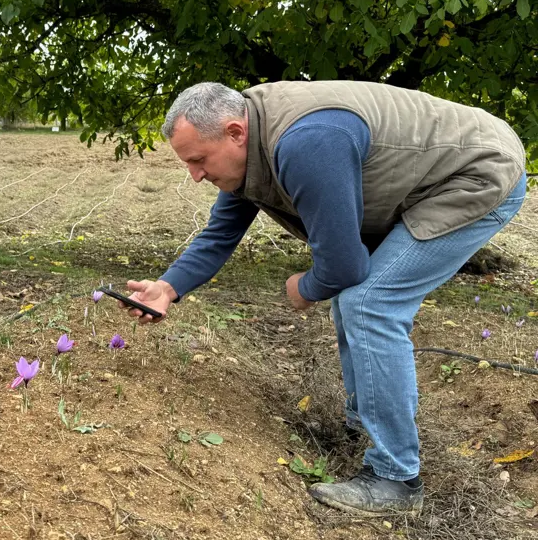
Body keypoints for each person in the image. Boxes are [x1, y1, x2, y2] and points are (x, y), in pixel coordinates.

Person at [122, 81, 527, 517]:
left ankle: (396, 480)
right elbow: (220, 234)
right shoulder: (251, 144)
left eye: (198, 160)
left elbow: (343, 267)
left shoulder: (305, 142)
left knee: (369, 302)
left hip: (476, 172)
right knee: (357, 297)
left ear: (235, 132)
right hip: (431, 175)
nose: (195, 175)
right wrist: (168, 287)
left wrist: (305, 287)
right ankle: (359, 424)